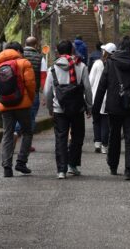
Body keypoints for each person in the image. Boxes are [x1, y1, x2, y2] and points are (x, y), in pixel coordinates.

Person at [93, 36, 130, 181]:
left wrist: (96, 108)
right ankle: (129, 169)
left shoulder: (110, 62)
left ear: (120, 47)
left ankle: (113, 165)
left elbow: (102, 86)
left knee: (114, 135)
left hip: (114, 105)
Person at [44, 39, 92, 179]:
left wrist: (50, 107)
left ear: (58, 52)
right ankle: (73, 165)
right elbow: (87, 89)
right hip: (77, 108)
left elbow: (47, 91)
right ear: (72, 50)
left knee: (61, 138)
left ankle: (61, 170)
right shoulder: (81, 66)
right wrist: (89, 106)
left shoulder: (52, 68)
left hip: (59, 109)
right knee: (77, 137)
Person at [0, 41, 36, 177]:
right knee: (27, 132)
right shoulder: (24, 63)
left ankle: (7, 167)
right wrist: (30, 99)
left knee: (7, 134)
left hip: (5, 106)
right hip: (23, 105)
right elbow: (30, 84)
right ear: (18, 51)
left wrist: (2, 101)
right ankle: (21, 161)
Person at [14, 36, 47, 152]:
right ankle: (27, 145)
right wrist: (44, 95)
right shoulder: (40, 58)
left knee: (18, 115)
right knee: (31, 117)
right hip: (33, 92)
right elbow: (43, 78)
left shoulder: (18, 57)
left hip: (17, 92)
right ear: (36, 45)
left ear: (25, 44)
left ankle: (15, 132)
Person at [89, 42, 116, 153]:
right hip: (109, 97)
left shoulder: (97, 63)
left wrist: (87, 97)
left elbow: (90, 81)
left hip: (96, 96)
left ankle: (97, 143)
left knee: (96, 121)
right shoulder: (114, 64)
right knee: (106, 122)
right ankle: (105, 146)